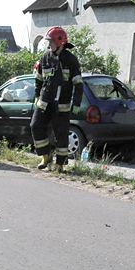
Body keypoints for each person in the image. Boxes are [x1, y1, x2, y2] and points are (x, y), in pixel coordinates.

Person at [30, 26, 83, 172]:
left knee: (61, 134)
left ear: (60, 42)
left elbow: (78, 84)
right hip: (44, 102)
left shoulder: (70, 60)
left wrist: (76, 102)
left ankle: (60, 164)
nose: (49, 45)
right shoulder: (45, 58)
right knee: (35, 126)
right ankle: (46, 156)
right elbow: (39, 79)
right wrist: (37, 96)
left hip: (61, 104)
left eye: (51, 42)